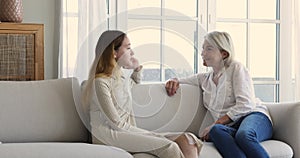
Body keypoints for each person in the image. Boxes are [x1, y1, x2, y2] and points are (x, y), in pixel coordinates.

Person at [82, 30, 202, 158]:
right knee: (169, 146)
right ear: (114, 53)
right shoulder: (100, 82)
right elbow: (115, 123)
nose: (132, 52)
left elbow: (133, 84)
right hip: (108, 134)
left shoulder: (121, 77)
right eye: (128, 48)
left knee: (188, 139)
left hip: (124, 131)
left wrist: (137, 69)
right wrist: (153, 135)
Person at [165, 31, 273, 158]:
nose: (202, 53)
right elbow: (180, 80)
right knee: (216, 131)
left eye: (209, 49)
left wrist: (217, 123)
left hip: (254, 117)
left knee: (243, 135)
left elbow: (246, 104)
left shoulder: (236, 68)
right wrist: (173, 81)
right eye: (203, 49)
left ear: (224, 53)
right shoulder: (204, 78)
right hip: (232, 126)